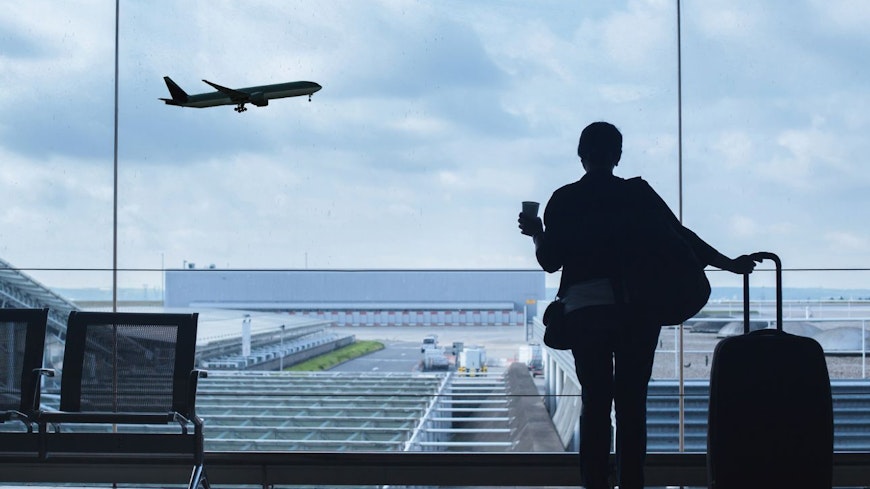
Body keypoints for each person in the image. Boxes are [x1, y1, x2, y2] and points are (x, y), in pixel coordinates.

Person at [517, 121, 757, 489]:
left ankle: (595, 482)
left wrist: (536, 231)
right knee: (632, 406)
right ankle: (632, 483)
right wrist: (730, 264)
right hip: (637, 311)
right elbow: (682, 237)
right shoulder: (638, 194)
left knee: (595, 404)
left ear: (581, 155)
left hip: (586, 312)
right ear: (618, 155)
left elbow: (550, 260)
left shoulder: (564, 199)